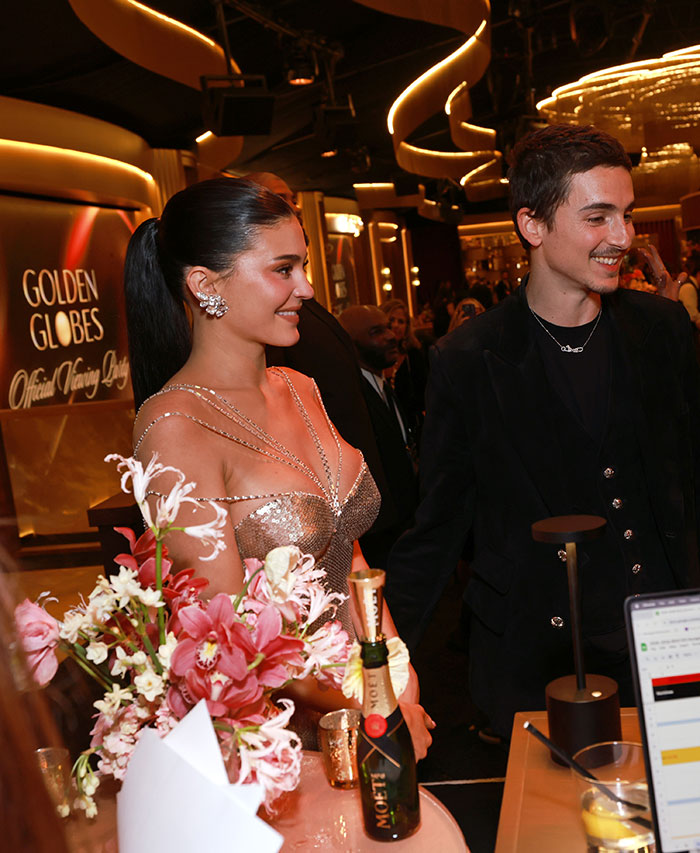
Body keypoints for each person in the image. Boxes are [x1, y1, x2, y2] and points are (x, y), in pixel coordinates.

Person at [385, 123, 700, 739]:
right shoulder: (469, 357)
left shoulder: (663, 329)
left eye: (628, 216)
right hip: (539, 655)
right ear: (532, 225)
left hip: (668, 642)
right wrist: (379, 661)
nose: (623, 238)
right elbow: (441, 525)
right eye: (598, 217)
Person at [124, 178, 433, 756]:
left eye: (305, 267)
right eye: (283, 269)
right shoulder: (174, 427)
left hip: (371, 701)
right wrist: (373, 708)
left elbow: (349, 553)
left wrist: (396, 673)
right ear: (204, 284)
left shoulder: (300, 387)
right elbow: (228, 637)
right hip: (286, 739)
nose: (308, 289)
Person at [339, 305, 419, 570]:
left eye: (387, 327)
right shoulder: (353, 398)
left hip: (407, 525)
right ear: (352, 344)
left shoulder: (383, 383)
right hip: (382, 538)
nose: (390, 335)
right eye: (376, 332)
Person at [379, 298, 428, 443]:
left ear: (407, 327)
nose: (396, 325)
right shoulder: (374, 356)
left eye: (401, 322)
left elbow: (423, 394)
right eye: (391, 320)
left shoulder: (413, 354)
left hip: (412, 428)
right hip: (384, 429)